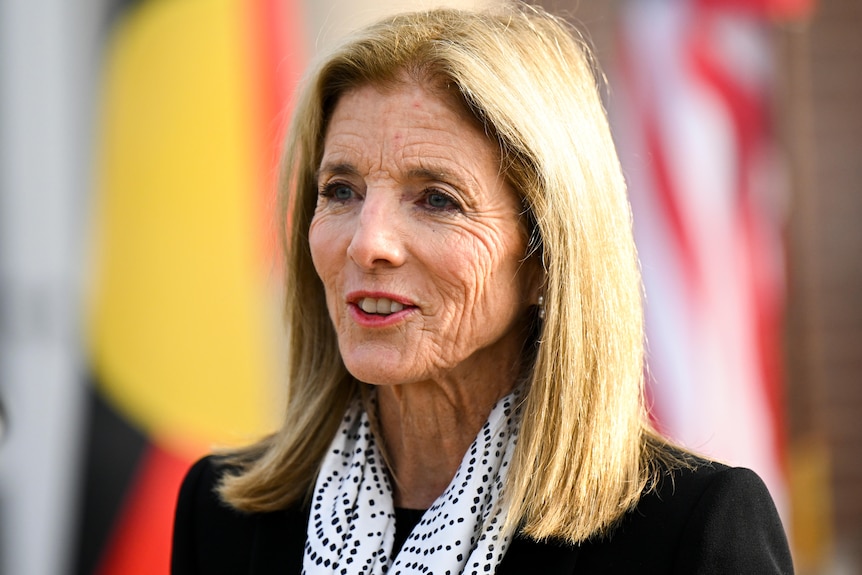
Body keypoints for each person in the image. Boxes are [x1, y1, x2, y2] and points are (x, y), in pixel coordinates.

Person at [171, 5, 794, 574]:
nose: (367, 243)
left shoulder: (688, 532)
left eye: (437, 199)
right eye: (341, 190)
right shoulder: (223, 513)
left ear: (547, 256)